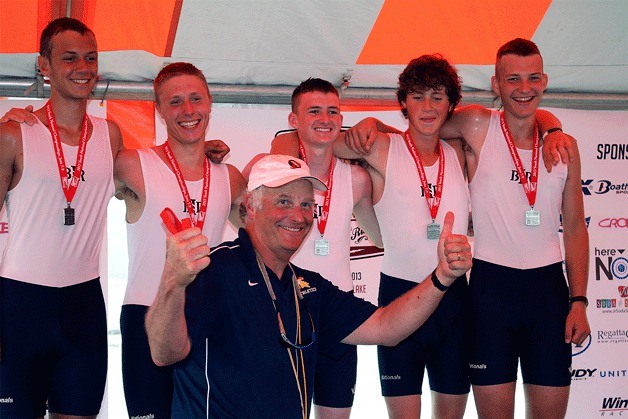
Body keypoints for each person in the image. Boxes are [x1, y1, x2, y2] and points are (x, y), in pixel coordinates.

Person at [343, 39, 590, 418]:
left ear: (545, 81)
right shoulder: (476, 125)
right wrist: (369, 123)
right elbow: (415, 125)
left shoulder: (564, 147)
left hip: (548, 294)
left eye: (533, 78)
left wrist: (579, 300)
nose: (523, 88)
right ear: (496, 84)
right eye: (512, 80)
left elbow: (574, 227)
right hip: (490, 291)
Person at [145, 154, 473, 418]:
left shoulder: (307, 286)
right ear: (251, 206)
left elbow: (386, 327)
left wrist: (441, 277)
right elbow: (164, 353)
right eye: (284, 201)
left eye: (306, 204)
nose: (299, 215)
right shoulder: (213, 269)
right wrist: (172, 283)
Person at [319, 55, 471, 419]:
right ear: (403, 102)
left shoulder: (461, 152)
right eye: (417, 97)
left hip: (454, 301)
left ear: (451, 103)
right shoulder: (383, 148)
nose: (428, 107)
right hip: (400, 296)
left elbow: (521, 120)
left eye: (437, 96)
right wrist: (371, 124)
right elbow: (327, 145)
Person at [0, 18, 123, 418]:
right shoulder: (14, 134)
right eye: (69, 58)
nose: (83, 67)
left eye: (90, 58)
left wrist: (197, 149)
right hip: (19, 304)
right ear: (44, 66)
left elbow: (153, 175)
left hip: (83, 305)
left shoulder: (111, 134)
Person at [113, 62, 246, 418]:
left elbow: (263, 229)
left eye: (195, 99)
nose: (188, 111)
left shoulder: (228, 176)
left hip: (205, 318)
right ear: (158, 110)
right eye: (174, 102)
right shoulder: (131, 164)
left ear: (210, 103)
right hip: (147, 313)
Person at [252, 77, 382, 419]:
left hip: (337, 317)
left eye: (333, 111)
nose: (325, 119)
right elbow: (242, 219)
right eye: (314, 111)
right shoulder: (273, 174)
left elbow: (384, 237)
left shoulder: (357, 178)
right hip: (284, 312)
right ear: (294, 120)